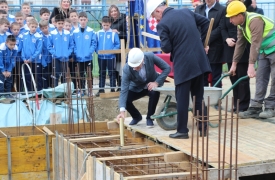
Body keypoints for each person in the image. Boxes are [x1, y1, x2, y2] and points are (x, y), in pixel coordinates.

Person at [147, 0, 211, 138]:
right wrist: (203, 43)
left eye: (153, 16)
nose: (155, 19)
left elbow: (167, 48)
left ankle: (182, 131)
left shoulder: (163, 24)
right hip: (199, 62)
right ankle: (203, 129)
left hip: (184, 65)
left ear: (158, 11)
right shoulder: (186, 11)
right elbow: (206, 23)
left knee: (181, 98)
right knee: (198, 98)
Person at [227, 1, 275, 119]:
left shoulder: (255, 20)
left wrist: (251, 65)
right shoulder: (241, 25)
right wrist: (234, 65)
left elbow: (255, 44)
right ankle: (256, 107)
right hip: (265, 50)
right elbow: (240, 44)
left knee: (274, 79)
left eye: (232, 17)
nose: (230, 21)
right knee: (260, 78)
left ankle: (271, 107)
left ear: (239, 15)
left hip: (273, 48)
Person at [116, 48, 171, 127]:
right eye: (133, 66)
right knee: (126, 99)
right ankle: (136, 117)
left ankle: (150, 118)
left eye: (136, 66)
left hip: (152, 85)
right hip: (137, 87)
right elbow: (124, 89)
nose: (134, 68)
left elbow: (167, 68)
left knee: (154, 92)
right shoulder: (127, 69)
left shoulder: (150, 56)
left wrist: (156, 82)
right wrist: (122, 111)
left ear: (142, 60)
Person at [221, 0, 251, 113]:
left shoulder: (242, 7)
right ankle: (236, 104)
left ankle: (244, 105)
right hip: (230, 48)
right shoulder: (226, 10)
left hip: (243, 47)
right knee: (233, 78)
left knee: (242, 78)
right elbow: (222, 27)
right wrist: (226, 39)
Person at [195, 0, 225, 88]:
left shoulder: (222, 9)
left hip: (215, 47)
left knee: (215, 75)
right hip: (201, 47)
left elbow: (220, 28)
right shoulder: (199, 9)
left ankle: (215, 99)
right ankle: (202, 98)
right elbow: (195, 25)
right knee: (202, 75)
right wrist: (201, 42)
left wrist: (207, 41)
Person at [72, 12, 97, 95]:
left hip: (88, 57)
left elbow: (94, 43)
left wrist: (89, 52)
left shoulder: (91, 31)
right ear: (79, 20)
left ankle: (90, 90)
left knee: (89, 74)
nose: (83, 21)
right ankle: (82, 90)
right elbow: (73, 44)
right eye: (81, 20)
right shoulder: (75, 32)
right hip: (79, 58)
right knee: (80, 74)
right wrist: (76, 53)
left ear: (87, 20)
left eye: (84, 20)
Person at [95, 16, 120, 96]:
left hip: (111, 58)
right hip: (101, 57)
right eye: (104, 25)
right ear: (102, 24)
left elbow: (117, 44)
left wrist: (112, 52)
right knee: (101, 73)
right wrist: (97, 51)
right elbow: (95, 44)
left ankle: (112, 89)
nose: (105, 27)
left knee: (111, 73)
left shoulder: (113, 34)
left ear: (110, 24)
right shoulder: (98, 33)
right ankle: (101, 89)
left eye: (107, 25)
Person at [47, 14, 74, 87]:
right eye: (59, 23)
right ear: (55, 23)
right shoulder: (52, 34)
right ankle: (55, 91)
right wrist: (55, 53)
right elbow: (49, 46)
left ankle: (63, 92)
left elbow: (71, 45)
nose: (61, 25)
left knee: (65, 75)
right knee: (55, 75)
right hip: (56, 58)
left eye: (62, 23)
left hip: (65, 58)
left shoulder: (68, 33)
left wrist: (68, 53)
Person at [108, 5, 127, 92]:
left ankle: (120, 85)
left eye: (115, 11)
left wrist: (117, 33)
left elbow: (126, 34)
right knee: (113, 68)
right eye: (112, 11)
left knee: (120, 67)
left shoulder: (123, 20)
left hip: (120, 47)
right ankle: (114, 84)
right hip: (111, 48)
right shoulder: (109, 22)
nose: (114, 13)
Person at [20, 19, 43, 92]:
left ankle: (39, 92)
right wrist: (23, 58)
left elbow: (39, 50)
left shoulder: (39, 36)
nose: (34, 28)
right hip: (26, 60)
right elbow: (23, 48)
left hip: (36, 61)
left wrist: (32, 58)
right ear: (29, 26)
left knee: (37, 77)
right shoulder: (25, 35)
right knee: (27, 77)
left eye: (35, 27)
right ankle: (30, 91)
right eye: (32, 27)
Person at [39, 20, 53, 88]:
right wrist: (43, 60)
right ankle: (45, 89)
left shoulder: (52, 35)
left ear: (48, 27)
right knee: (44, 75)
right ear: (40, 29)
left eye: (46, 27)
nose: (44, 29)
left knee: (51, 74)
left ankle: (51, 87)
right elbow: (40, 50)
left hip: (52, 59)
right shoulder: (40, 37)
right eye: (42, 28)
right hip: (44, 60)